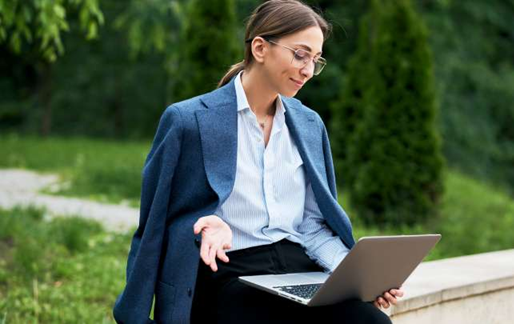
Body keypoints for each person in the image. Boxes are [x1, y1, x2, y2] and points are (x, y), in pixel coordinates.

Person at [113, 1, 403, 323]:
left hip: (298, 269)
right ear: (260, 48)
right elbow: (154, 226)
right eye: (300, 54)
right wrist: (203, 226)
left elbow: (312, 226)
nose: (308, 70)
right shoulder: (188, 121)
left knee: (372, 321)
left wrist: (359, 277)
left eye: (316, 60)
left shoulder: (309, 125)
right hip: (228, 274)